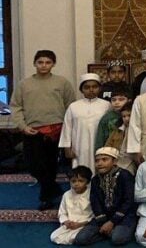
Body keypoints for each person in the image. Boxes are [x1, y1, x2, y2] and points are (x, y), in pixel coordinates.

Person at [11, 50, 78, 210]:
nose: (44, 65)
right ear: (34, 63)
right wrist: (23, 126)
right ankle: (56, 191)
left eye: (48, 62)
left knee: (50, 166)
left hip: (56, 130)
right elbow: (16, 107)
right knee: (33, 166)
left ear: (53, 64)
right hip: (32, 130)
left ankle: (46, 199)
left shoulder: (62, 83)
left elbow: (71, 106)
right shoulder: (24, 84)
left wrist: (69, 129)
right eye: (40, 62)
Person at [74, 147, 136, 246]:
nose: (100, 163)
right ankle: (108, 231)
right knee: (80, 239)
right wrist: (103, 222)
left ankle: (112, 231)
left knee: (117, 239)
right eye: (97, 160)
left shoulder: (125, 176)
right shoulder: (95, 180)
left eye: (104, 159)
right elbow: (95, 202)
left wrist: (112, 222)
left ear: (114, 161)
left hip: (124, 217)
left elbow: (129, 201)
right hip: (104, 217)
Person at [60, 73, 111, 172]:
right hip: (79, 146)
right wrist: (67, 148)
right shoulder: (73, 106)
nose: (91, 90)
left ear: (99, 88)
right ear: (81, 89)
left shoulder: (107, 105)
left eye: (94, 87)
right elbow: (67, 128)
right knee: (80, 171)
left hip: (100, 145)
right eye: (87, 87)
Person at [51, 166, 94, 245]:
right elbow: (62, 212)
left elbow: (93, 215)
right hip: (70, 225)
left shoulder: (91, 195)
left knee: (81, 238)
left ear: (87, 182)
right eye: (73, 181)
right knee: (53, 237)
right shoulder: (66, 195)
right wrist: (66, 221)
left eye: (81, 181)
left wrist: (81, 224)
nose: (76, 184)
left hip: (84, 224)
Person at [105, 103, 136, 174]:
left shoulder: (138, 131)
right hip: (117, 161)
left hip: (132, 162)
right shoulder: (117, 131)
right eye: (124, 116)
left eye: (129, 115)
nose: (126, 119)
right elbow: (108, 146)